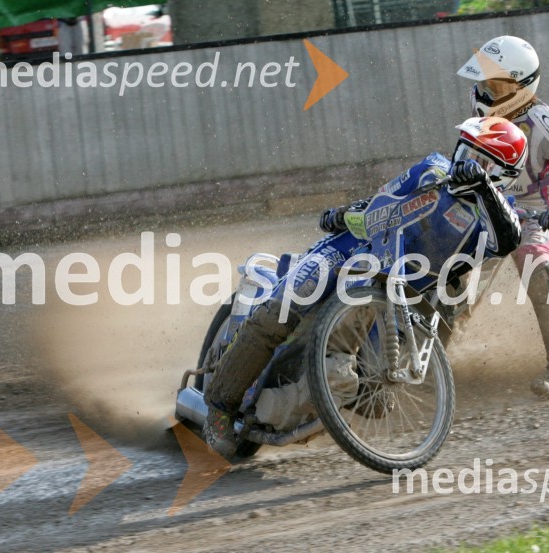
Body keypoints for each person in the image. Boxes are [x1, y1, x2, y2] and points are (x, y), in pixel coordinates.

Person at [203, 116, 527, 459]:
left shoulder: (498, 217)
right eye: (466, 153)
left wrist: (482, 188)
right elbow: (384, 199)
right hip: (349, 251)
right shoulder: (433, 170)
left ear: (502, 174)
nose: (466, 165)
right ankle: (220, 409)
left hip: (398, 300)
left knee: (377, 398)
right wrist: (344, 214)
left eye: (480, 161)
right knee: (280, 310)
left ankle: (288, 405)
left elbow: (508, 239)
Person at [456, 35, 549, 399]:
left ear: (522, 86)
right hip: (484, 210)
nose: (485, 93)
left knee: (540, 270)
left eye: (496, 86)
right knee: (453, 279)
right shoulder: (478, 120)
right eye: (483, 84)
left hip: (533, 215)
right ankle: (430, 360)